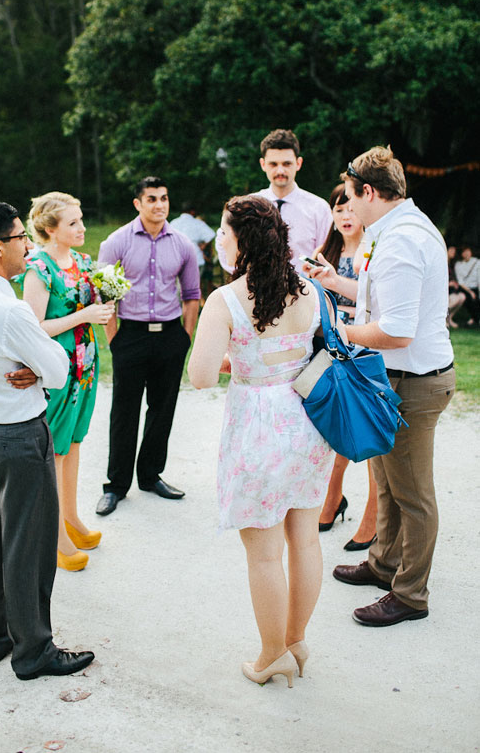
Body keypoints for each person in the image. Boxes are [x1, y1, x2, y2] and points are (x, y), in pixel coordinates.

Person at [188, 195, 336, 686]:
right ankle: (296, 640)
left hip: (258, 427)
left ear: (242, 241)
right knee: (305, 539)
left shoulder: (225, 299)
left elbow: (200, 376)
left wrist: (236, 359)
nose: (219, 240)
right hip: (307, 423)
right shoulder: (312, 291)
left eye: (223, 233)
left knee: (265, 553)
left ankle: (273, 654)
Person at [0, 202, 95, 680]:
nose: (27, 246)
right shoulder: (10, 310)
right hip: (18, 436)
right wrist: (39, 366)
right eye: (19, 238)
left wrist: (32, 365)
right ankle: (34, 651)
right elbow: (57, 370)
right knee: (29, 546)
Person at [309, 147, 455, 627]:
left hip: (415, 382)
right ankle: (383, 564)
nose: (348, 205)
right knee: (388, 485)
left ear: (369, 192)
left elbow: (396, 331)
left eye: (351, 196)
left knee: (413, 493)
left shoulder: (402, 241)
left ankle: (410, 594)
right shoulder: (395, 230)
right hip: (396, 377)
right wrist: (335, 282)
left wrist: (338, 331)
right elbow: (380, 298)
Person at [95, 176, 200, 516]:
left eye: (164, 198)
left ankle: (151, 475)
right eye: (152, 199)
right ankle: (116, 486)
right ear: (137, 203)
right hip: (131, 335)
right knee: (124, 412)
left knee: (162, 408)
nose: (159, 205)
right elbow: (106, 296)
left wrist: (185, 337)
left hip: (170, 336)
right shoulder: (116, 242)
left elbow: (192, 295)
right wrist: (114, 339)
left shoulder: (182, 244)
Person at [21, 192, 114, 572]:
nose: (82, 227)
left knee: (74, 444)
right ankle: (55, 536)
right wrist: (85, 316)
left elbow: (93, 308)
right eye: (73, 222)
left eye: (80, 220)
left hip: (85, 367)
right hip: (57, 369)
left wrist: (107, 304)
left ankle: (71, 518)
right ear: (49, 229)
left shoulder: (83, 262)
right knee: (56, 451)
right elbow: (34, 328)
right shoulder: (38, 269)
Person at [304, 184, 378, 551]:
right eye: (339, 210)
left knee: (367, 427)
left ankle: (374, 515)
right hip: (330, 349)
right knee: (334, 426)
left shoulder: (374, 249)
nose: (346, 216)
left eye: (351, 209)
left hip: (366, 347)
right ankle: (332, 497)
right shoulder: (324, 252)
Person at [216, 129, 332, 274]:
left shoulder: (319, 208)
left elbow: (328, 254)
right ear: (263, 164)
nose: (280, 171)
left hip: (305, 285)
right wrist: (244, 276)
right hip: (255, 285)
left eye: (287, 164)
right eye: (273, 164)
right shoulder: (248, 206)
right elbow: (223, 243)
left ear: (298, 163)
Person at [170, 202, 216, 301]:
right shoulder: (198, 223)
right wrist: (203, 245)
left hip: (178, 259)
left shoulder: (174, 223)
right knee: (194, 287)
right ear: (192, 211)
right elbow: (211, 234)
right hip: (196, 259)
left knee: (179, 286)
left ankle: (178, 306)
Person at [454, 246, 480, 326]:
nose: (467, 254)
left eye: (468, 251)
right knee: (470, 298)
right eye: (464, 252)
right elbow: (460, 281)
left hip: (475, 287)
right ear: (462, 254)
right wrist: (470, 291)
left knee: (476, 298)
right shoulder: (458, 265)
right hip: (464, 288)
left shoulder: (477, 262)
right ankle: (475, 318)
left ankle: (474, 318)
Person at [446, 246, 466, 329]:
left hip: (452, 290)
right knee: (455, 299)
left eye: (454, 252)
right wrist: (448, 283)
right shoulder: (442, 263)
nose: (453, 253)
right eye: (451, 251)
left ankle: (449, 318)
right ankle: (443, 317)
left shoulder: (451, 264)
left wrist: (455, 283)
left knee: (462, 297)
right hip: (445, 291)